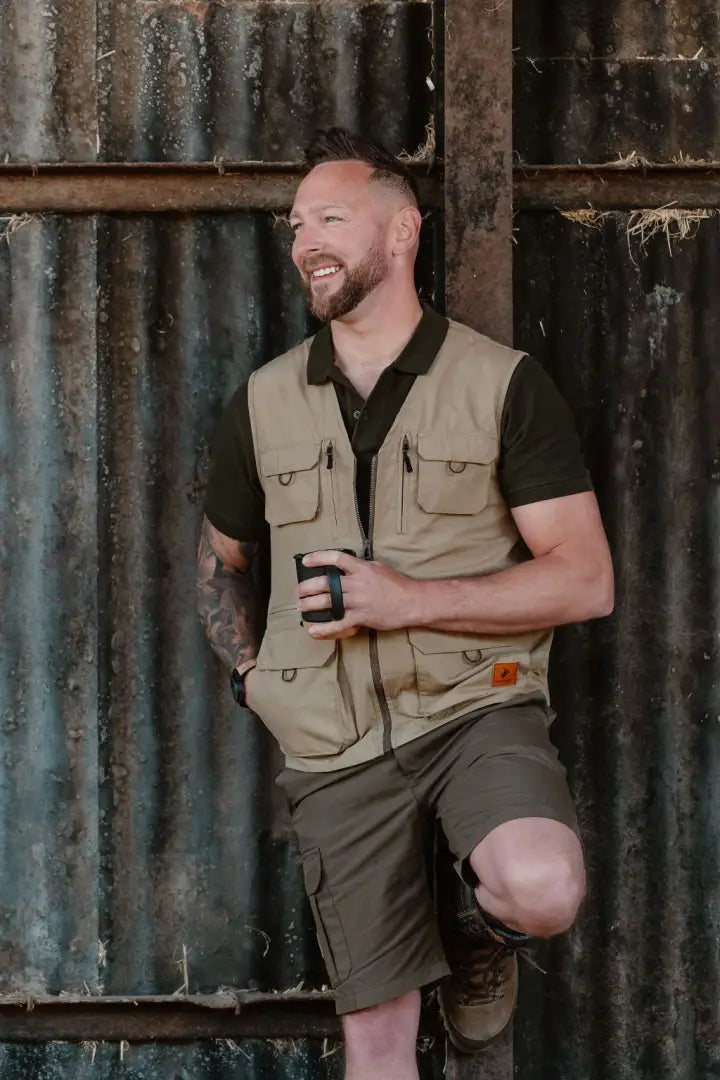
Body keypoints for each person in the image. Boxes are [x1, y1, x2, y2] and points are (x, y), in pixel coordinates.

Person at [197, 127, 613, 1080]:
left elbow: (585, 578)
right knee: (378, 1049)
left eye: (332, 219)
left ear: (403, 232)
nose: (306, 242)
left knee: (541, 887)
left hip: (475, 706)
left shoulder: (500, 383)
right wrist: (254, 677)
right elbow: (221, 561)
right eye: (298, 225)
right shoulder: (262, 402)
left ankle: (477, 932)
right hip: (332, 742)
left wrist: (405, 598)